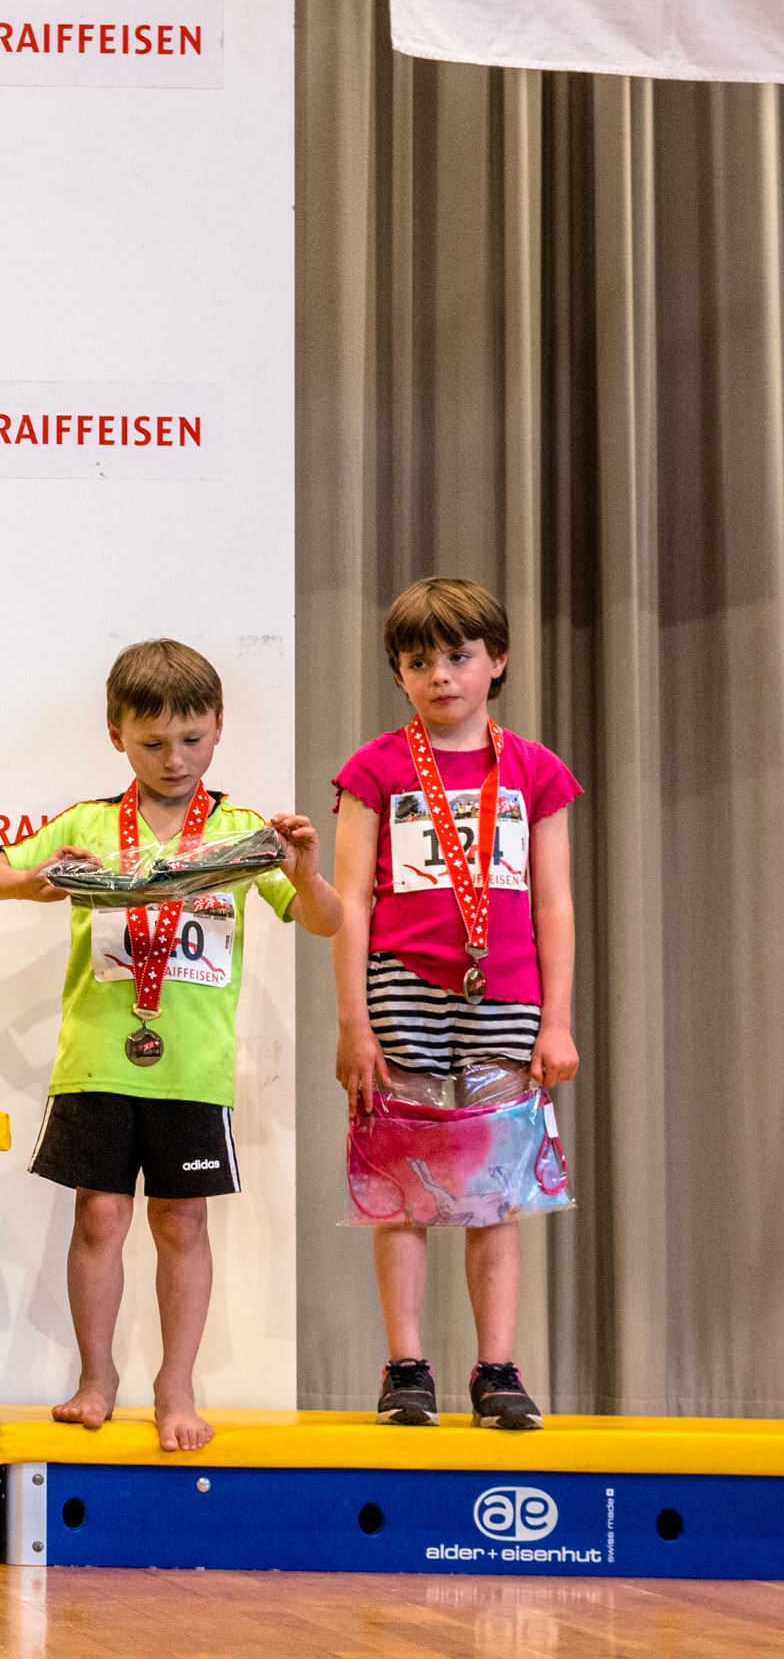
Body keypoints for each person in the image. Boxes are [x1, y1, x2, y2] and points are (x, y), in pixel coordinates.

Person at [0, 640, 340, 1452]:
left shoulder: (241, 833)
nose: (175, 759)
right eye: (153, 742)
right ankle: (96, 1376)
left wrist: (308, 872)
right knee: (99, 1215)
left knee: (181, 1223)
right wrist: (31, 880)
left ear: (220, 728)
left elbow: (326, 920)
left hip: (193, 1072)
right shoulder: (89, 823)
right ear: (117, 736)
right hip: (97, 1060)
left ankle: (177, 1385)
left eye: (192, 739)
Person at [330, 578, 580, 1430]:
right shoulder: (375, 770)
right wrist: (354, 1024)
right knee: (402, 1192)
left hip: (504, 995)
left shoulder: (534, 771)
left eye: (458, 657)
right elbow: (350, 901)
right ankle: (406, 1367)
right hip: (400, 991)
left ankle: (497, 1369)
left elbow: (554, 903)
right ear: (399, 673)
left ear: (496, 660)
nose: (440, 675)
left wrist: (557, 1021)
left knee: (494, 1193)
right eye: (418, 661)